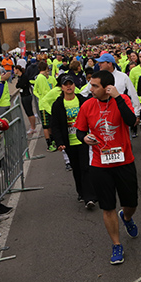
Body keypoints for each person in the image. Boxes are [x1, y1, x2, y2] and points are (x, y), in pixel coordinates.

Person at [74, 70, 139, 265]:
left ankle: (126, 217)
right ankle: (116, 244)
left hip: (124, 160)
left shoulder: (123, 100)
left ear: (107, 88)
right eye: (90, 85)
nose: (90, 89)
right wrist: (84, 138)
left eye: (95, 86)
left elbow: (130, 121)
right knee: (108, 206)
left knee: (131, 203)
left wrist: (118, 98)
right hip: (99, 163)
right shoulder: (87, 105)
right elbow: (79, 131)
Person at [51, 75, 96, 209]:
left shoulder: (82, 100)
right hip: (69, 142)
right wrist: (59, 142)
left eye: (71, 84)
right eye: (66, 84)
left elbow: (91, 118)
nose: (69, 86)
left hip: (83, 140)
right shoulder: (58, 104)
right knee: (76, 169)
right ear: (62, 87)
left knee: (85, 168)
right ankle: (81, 193)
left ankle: (90, 197)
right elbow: (56, 125)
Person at [14, 66, 37, 134]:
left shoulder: (24, 77)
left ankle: (33, 127)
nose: (14, 71)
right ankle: (32, 126)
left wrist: (20, 85)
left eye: (14, 70)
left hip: (27, 95)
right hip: (23, 95)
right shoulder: (20, 77)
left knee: (29, 112)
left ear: (18, 70)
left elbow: (21, 85)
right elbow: (17, 85)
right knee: (27, 112)